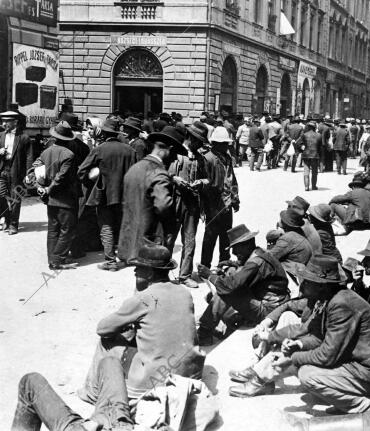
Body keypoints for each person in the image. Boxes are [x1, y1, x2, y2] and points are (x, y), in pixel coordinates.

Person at [229, 254, 370, 416]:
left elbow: (328, 356)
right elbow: (316, 335)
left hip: (368, 372)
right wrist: (298, 345)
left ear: (322, 285)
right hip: (353, 363)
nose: (304, 286)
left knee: (307, 375)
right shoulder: (330, 298)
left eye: (308, 281)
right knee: (297, 354)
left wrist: (293, 357)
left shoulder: (341, 304)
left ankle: (367, 407)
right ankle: (261, 379)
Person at [81, 242, 204, 400]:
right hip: (191, 376)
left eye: (139, 268)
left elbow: (102, 328)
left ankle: (93, 394)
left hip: (154, 383)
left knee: (106, 341)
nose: (134, 271)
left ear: (150, 274)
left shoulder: (143, 298)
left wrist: (129, 319)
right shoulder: (184, 292)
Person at [197, 224, 291, 344]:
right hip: (275, 302)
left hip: (270, 310)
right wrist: (232, 264)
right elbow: (246, 268)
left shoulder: (256, 262)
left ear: (247, 244)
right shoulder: (259, 252)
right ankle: (234, 317)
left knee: (227, 293)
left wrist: (210, 275)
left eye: (236, 248)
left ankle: (204, 333)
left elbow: (229, 287)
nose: (234, 252)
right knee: (230, 275)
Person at [118, 126, 186, 263]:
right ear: (168, 150)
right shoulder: (159, 173)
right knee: (153, 280)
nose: (174, 160)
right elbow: (163, 206)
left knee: (140, 278)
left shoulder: (135, 168)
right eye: (174, 155)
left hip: (129, 241)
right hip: (151, 244)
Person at [78, 118, 137, 271]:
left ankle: (110, 261)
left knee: (106, 226)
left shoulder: (99, 149)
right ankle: (126, 257)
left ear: (103, 133)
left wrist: (92, 180)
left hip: (104, 194)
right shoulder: (130, 150)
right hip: (125, 195)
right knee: (124, 226)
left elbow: (81, 171)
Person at [33, 122, 80, 270]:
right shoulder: (69, 154)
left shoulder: (45, 152)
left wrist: (40, 187)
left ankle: (52, 259)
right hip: (65, 198)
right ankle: (58, 260)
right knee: (67, 229)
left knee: (53, 229)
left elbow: (35, 169)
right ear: (68, 139)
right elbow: (61, 177)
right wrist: (49, 189)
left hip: (51, 200)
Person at [168, 122, 211, 287]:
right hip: (174, 201)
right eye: (198, 140)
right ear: (191, 138)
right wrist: (174, 179)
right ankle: (162, 273)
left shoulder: (201, 158)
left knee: (190, 241)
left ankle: (184, 275)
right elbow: (159, 172)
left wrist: (201, 182)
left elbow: (209, 179)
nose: (200, 144)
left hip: (192, 203)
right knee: (169, 239)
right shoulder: (174, 153)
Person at [200, 126, 240, 271]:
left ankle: (224, 263)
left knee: (226, 236)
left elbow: (232, 179)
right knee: (210, 237)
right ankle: (205, 265)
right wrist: (206, 207)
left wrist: (235, 199)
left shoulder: (227, 158)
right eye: (222, 144)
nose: (225, 146)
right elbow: (205, 184)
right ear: (215, 144)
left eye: (226, 144)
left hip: (227, 203)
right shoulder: (208, 158)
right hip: (214, 205)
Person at [0, 110, 32, 235]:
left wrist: (29, 173)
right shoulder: (1, 135)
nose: (3, 124)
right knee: (1, 196)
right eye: (3, 121)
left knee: (14, 199)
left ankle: (13, 224)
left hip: (16, 171)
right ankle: (7, 216)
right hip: (2, 170)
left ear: (15, 122)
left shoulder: (24, 137)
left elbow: (29, 157)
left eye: (6, 121)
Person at [269, 209, 314, 275]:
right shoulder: (300, 233)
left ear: (285, 222)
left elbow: (269, 257)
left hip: (290, 274)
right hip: (300, 272)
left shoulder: (287, 238)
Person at [300, 121, 322, 191]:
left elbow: (300, 144)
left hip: (306, 154)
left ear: (308, 127)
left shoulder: (304, 134)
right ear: (315, 127)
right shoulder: (319, 135)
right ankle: (313, 186)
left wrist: (302, 149)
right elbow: (320, 147)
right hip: (315, 155)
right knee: (314, 172)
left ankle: (306, 187)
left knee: (306, 170)